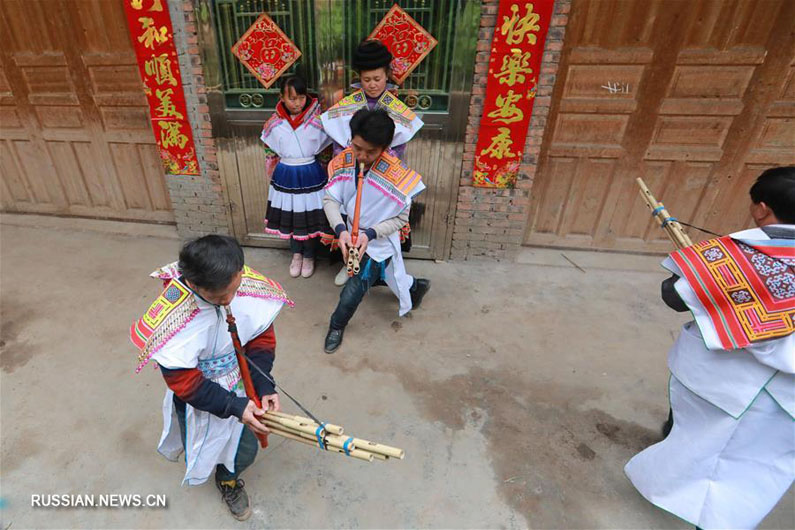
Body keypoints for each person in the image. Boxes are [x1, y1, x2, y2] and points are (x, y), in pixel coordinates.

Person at [625, 166, 795, 529]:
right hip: (787, 403)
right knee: (759, 467)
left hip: (725, 382)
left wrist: (704, 277)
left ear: (761, 209)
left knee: (701, 449)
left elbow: (674, 296)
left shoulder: (739, 257)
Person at [130, 235, 292, 521]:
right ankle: (215, 471)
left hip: (243, 382)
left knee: (243, 448)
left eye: (234, 289)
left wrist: (264, 384)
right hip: (202, 394)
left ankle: (228, 479)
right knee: (206, 443)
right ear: (193, 284)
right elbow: (184, 383)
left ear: (240, 271)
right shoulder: (174, 316)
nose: (229, 301)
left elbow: (260, 338)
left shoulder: (243, 284)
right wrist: (234, 407)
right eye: (218, 298)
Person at [322, 108, 430, 353]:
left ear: (385, 147)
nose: (362, 156)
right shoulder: (345, 161)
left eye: (371, 152)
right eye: (357, 147)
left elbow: (402, 217)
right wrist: (341, 230)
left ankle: (336, 325)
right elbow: (330, 200)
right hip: (350, 236)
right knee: (392, 278)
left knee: (354, 289)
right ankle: (418, 287)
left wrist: (369, 234)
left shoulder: (398, 176)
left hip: (378, 242)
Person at [320, 39, 423, 285]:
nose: (373, 85)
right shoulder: (348, 106)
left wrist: (380, 163)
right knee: (352, 218)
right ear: (359, 78)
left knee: (381, 221)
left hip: (384, 174)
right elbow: (338, 142)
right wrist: (350, 158)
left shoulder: (396, 108)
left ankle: (381, 266)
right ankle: (350, 264)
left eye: (377, 79)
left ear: (386, 75)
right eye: (367, 80)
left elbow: (399, 146)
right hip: (352, 169)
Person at [262, 75, 332, 278]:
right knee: (292, 216)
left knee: (309, 217)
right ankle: (296, 255)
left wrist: (327, 174)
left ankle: (310, 255)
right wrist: (273, 172)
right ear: (281, 97)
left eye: (301, 97)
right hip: (285, 174)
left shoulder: (317, 120)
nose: (297, 103)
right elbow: (270, 150)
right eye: (292, 98)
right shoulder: (274, 123)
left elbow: (326, 151)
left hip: (310, 172)